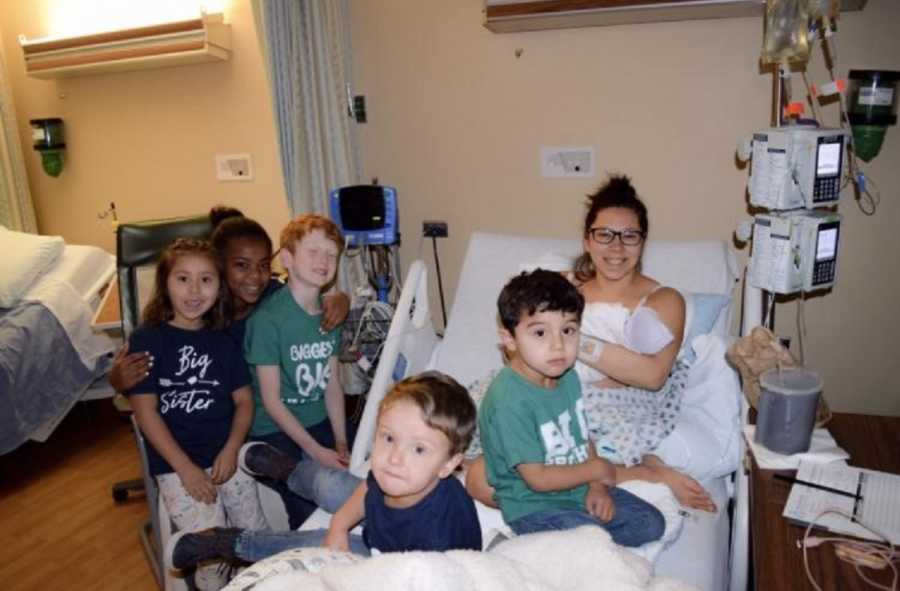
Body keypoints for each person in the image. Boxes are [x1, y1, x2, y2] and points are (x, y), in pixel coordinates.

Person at [468, 176, 716, 514]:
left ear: (642, 242)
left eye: (629, 236)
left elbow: (653, 375)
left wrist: (567, 338)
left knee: (541, 459)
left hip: (615, 406)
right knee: (478, 473)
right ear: (587, 240)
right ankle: (565, 494)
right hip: (543, 390)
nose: (616, 248)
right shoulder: (567, 290)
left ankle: (644, 475)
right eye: (604, 235)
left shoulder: (663, 299)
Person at [164, 372, 482, 570]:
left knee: (311, 545)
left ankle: (230, 543)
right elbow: (369, 488)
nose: (395, 458)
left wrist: (334, 541)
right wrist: (340, 526)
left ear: (449, 465)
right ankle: (290, 472)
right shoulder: (397, 473)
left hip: (387, 558)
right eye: (388, 438)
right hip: (384, 520)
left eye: (419, 449)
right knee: (331, 484)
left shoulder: (441, 536)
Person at [478, 269, 665, 548]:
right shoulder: (508, 399)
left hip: (576, 491)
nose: (558, 345)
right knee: (592, 542)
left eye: (568, 330)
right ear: (509, 339)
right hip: (534, 505)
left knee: (650, 523)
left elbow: (581, 438)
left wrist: (597, 486)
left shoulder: (567, 377)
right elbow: (538, 480)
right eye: (540, 332)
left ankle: (568, 547)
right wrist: (597, 470)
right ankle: (528, 548)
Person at [124, 238, 268, 591]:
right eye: (182, 279)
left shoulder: (223, 341)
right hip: (177, 466)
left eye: (206, 279)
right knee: (211, 550)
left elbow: (244, 402)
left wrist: (232, 448)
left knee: (257, 537)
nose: (194, 290)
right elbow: (146, 413)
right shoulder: (148, 340)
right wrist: (184, 468)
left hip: (226, 456)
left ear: (219, 287)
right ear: (165, 283)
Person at [108, 206, 350, 393]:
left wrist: (339, 298)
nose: (255, 276)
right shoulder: (196, 310)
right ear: (218, 265)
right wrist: (118, 380)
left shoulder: (272, 294)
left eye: (264, 265)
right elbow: (153, 366)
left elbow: (305, 300)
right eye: (241, 265)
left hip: (262, 410)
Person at [243, 214, 359, 528]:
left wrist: (340, 440)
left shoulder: (329, 315)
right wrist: (316, 451)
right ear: (287, 258)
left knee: (365, 469)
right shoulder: (268, 321)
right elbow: (271, 401)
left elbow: (332, 384)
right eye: (313, 251)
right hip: (275, 428)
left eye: (331, 255)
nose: (324, 260)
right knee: (307, 504)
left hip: (319, 416)